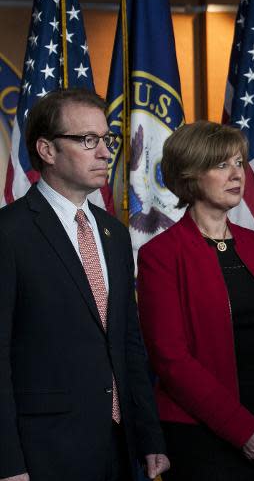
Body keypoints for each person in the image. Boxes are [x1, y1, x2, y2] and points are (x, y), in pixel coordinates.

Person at [0, 89, 169, 481]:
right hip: (42, 452)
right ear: (46, 149)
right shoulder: (10, 233)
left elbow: (128, 342)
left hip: (118, 447)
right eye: (87, 140)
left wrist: (149, 435)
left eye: (107, 140)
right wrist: (8, 463)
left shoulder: (114, 232)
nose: (106, 153)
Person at [136, 120, 254, 481]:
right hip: (201, 439)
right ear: (190, 175)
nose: (236, 174)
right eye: (221, 164)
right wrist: (244, 431)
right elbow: (171, 360)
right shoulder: (160, 254)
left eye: (239, 163)